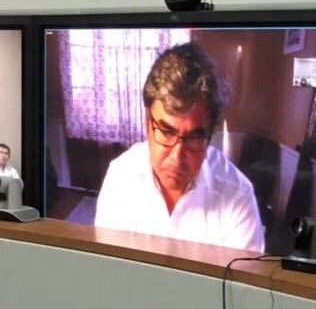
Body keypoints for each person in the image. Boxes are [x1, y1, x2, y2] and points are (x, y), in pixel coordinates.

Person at [94, 43, 265, 252]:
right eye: (167, 131)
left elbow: (241, 275)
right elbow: (107, 266)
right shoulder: (120, 177)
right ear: (148, 124)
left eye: (194, 138)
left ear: (209, 136)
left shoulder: (238, 197)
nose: (177, 156)